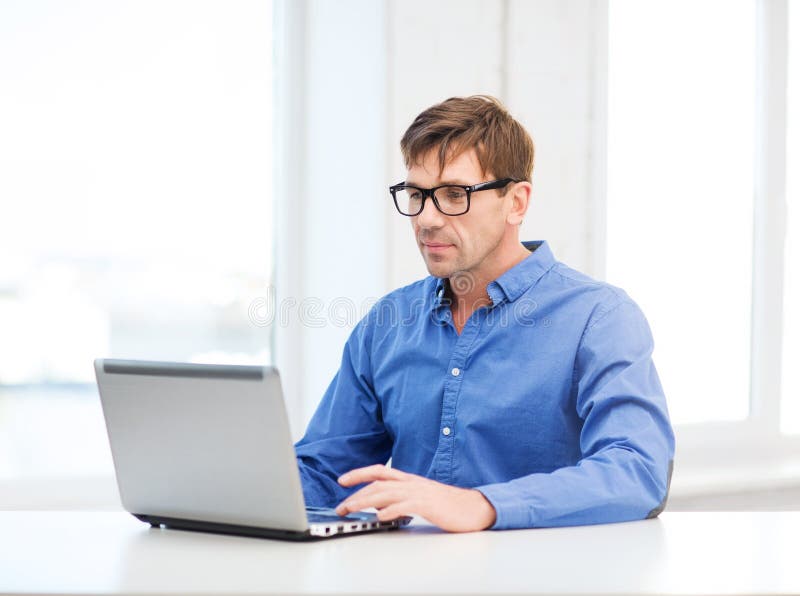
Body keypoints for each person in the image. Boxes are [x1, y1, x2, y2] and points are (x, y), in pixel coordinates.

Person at [294, 95, 674, 532]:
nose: (427, 219)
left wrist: (484, 505)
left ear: (516, 202)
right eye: (416, 194)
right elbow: (326, 471)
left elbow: (637, 471)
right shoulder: (388, 323)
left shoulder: (600, 318)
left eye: (454, 194)